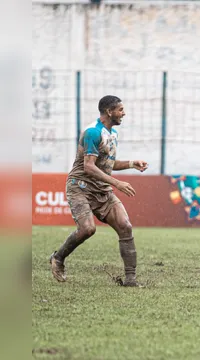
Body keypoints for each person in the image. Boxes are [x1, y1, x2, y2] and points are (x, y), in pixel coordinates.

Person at [49, 95, 149, 286]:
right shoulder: (92, 132)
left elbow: (106, 164)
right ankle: (58, 258)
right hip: (80, 187)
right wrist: (117, 183)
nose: (124, 113)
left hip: (101, 190)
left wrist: (131, 164)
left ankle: (130, 280)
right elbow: (89, 167)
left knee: (125, 226)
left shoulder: (112, 133)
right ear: (109, 111)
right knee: (87, 229)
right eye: (120, 109)